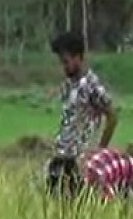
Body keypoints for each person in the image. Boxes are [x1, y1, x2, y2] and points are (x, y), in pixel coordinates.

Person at [45, 31, 118, 197]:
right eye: (61, 62)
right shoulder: (70, 84)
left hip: (80, 160)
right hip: (62, 155)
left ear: (78, 57)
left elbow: (112, 116)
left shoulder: (91, 85)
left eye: (66, 61)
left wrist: (99, 151)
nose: (64, 67)